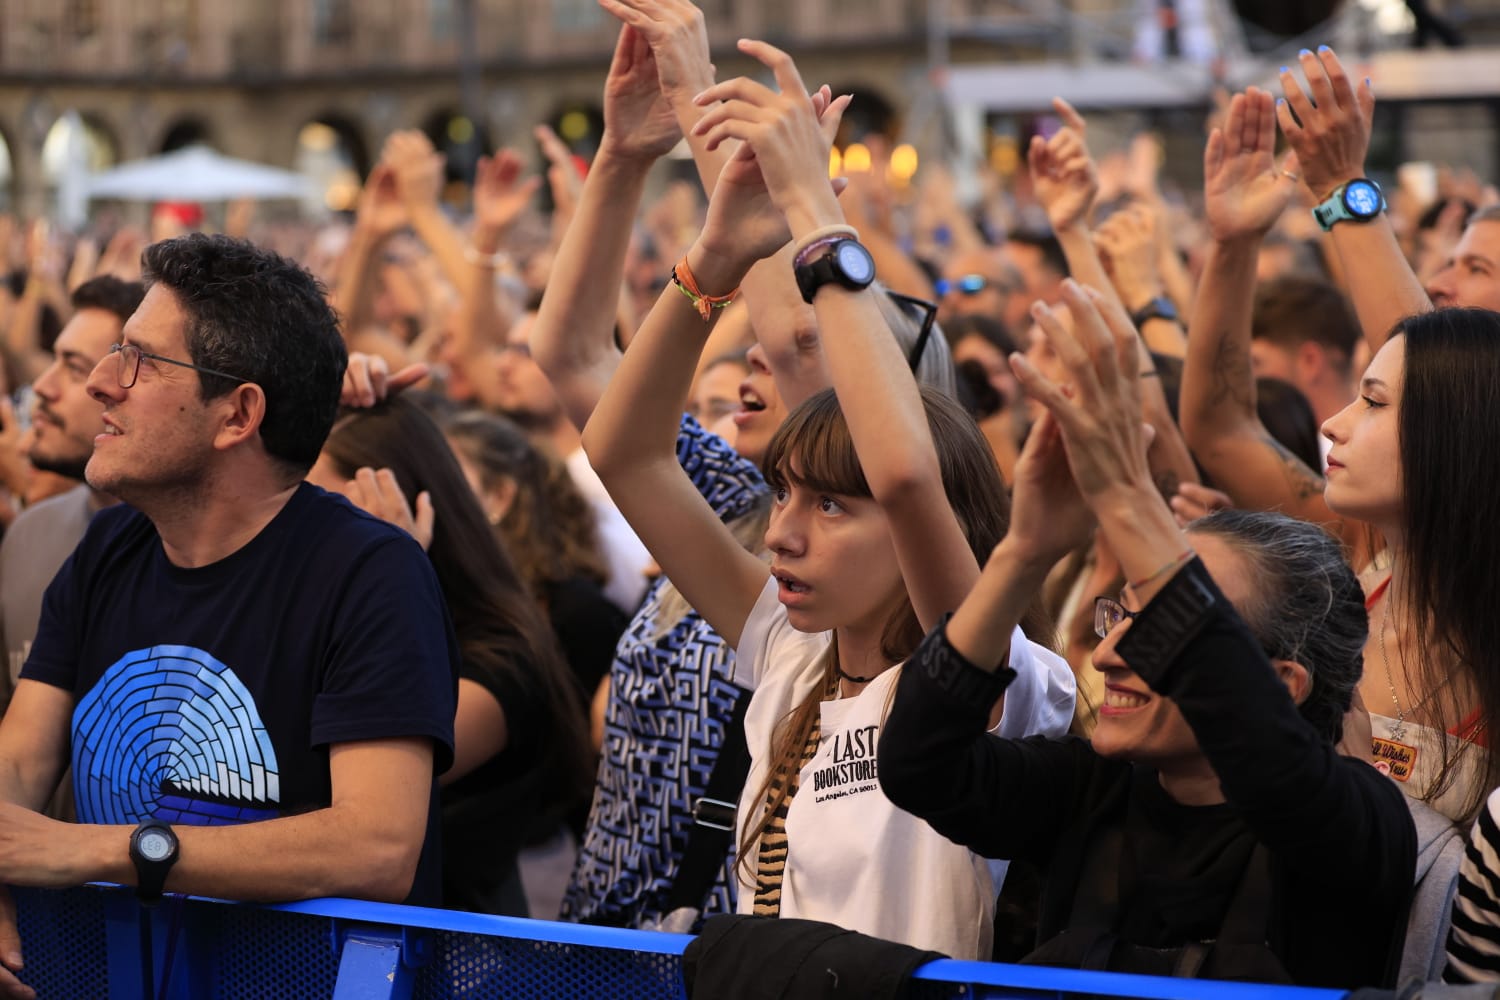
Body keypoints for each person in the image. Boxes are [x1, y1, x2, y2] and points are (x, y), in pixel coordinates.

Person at [582, 38, 1072, 958]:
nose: (782, 538)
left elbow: (904, 473)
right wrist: (713, 259)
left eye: (831, 508)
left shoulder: (986, 669)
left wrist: (816, 210)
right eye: (785, 498)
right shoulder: (789, 653)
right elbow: (623, 451)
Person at [879, 280, 1415, 987]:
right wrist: (1025, 551)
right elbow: (919, 763)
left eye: (1160, 627)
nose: (1108, 654)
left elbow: (1274, 773)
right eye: (1121, 614)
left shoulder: (1353, 823)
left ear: (1281, 684)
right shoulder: (1092, 790)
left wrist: (1129, 496)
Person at [0, 234, 459, 999]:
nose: (100, 385)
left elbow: (377, 845)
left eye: (139, 360)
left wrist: (97, 851)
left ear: (238, 413)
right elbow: (17, 764)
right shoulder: (108, 548)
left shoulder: (368, 571)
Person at [1179, 82, 1499, 822]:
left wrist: (1343, 193)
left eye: (1477, 270)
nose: (1442, 283)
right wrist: (1231, 245)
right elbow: (1224, 429)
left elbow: (1437, 387)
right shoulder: (1350, 563)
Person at [308, 396, 594, 915]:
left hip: (450, 957)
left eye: (324, 504)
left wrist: (387, 578)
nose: (296, 527)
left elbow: (308, 775)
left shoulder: (504, 657)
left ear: (409, 505)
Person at [0, 276, 141, 697]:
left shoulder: (188, 558)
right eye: (54, 361)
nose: (43, 387)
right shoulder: (27, 535)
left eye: (75, 367)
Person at [443, 409, 628, 702]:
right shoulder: (456, 588)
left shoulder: (575, 609)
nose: (430, 492)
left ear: (501, 496)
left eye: (447, 477)